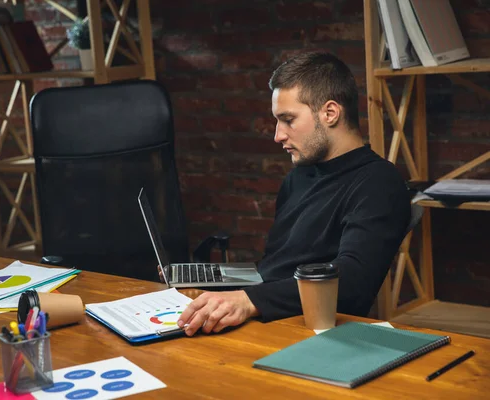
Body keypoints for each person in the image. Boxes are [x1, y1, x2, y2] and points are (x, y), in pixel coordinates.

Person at [174, 51, 411, 337]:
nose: (278, 135)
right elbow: (278, 265)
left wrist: (248, 301)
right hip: (260, 312)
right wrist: (220, 287)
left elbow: (352, 280)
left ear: (330, 113)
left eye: (288, 119)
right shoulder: (298, 176)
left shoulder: (379, 183)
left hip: (306, 329)